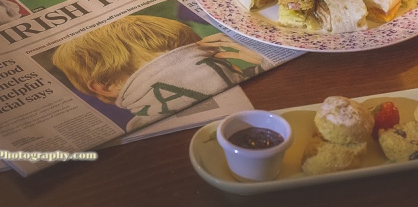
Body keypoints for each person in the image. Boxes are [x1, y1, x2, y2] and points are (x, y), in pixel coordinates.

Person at [51, 14, 265, 131]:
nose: (198, 66)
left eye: (196, 54)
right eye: (171, 62)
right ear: (106, 86)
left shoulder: (256, 76)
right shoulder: (141, 132)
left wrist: (263, 61)